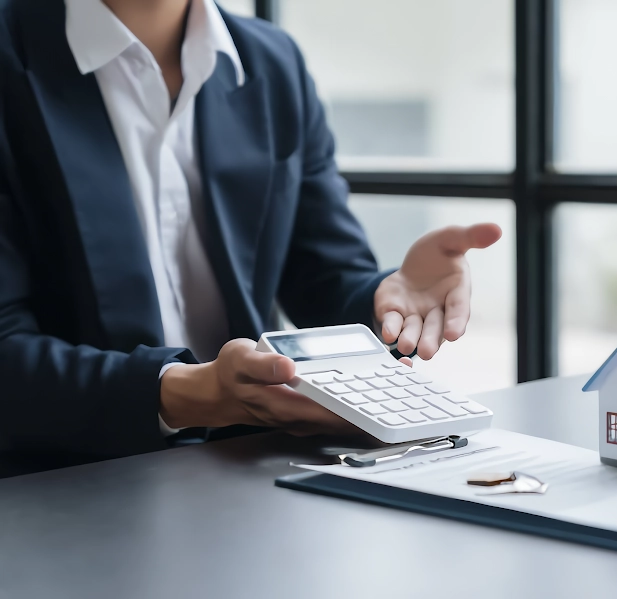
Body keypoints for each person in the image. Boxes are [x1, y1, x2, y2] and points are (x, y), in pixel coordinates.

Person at [0, 0, 501, 477]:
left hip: (254, 465)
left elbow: (324, 280)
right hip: (60, 483)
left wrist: (385, 300)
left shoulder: (270, 62)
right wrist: (184, 393)